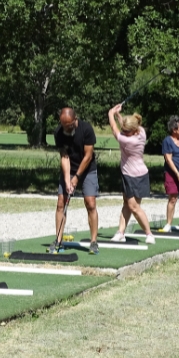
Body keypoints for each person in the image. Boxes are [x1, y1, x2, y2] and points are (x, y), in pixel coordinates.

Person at [51, 107, 100, 255]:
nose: (66, 128)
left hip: (87, 169)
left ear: (75, 120)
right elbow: (64, 156)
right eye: (64, 126)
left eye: (69, 126)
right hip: (69, 169)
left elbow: (88, 156)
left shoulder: (86, 129)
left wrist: (77, 177)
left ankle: (93, 242)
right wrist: (67, 180)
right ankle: (58, 241)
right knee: (61, 202)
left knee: (90, 203)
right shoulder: (58, 132)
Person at [107, 104, 155, 244]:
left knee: (134, 207)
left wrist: (111, 113)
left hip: (132, 175)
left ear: (132, 131)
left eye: (126, 131)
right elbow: (124, 126)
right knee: (128, 204)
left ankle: (149, 234)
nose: (123, 132)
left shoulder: (127, 140)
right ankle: (121, 232)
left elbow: (114, 129)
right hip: (140, 174)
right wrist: (119, 115)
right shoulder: (141, 132)